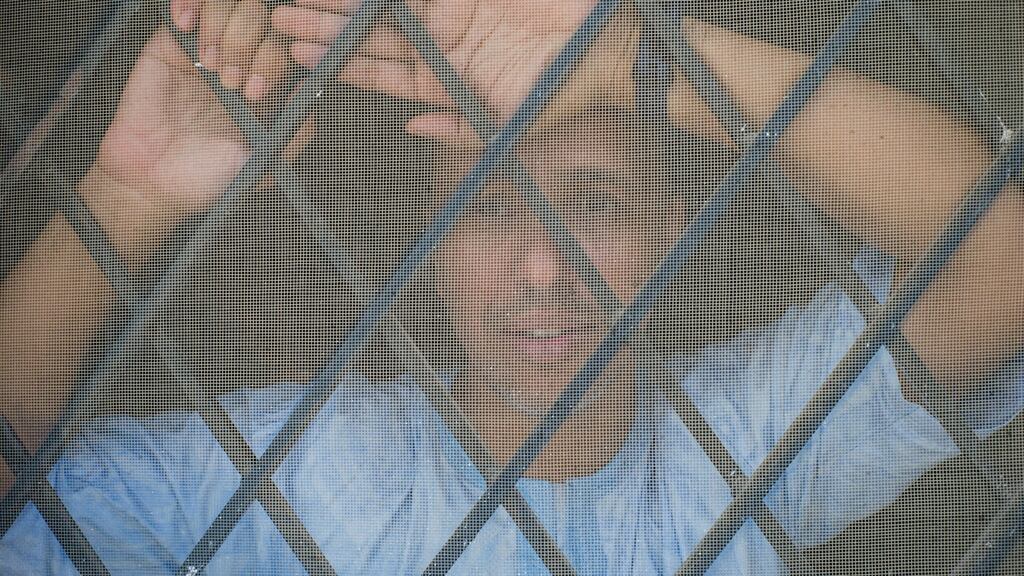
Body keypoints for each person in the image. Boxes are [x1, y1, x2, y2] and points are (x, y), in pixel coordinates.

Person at [1, 0, 1021, 573]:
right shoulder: (306, 468)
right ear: (429, 246)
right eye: (486, 210)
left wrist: (641, 52)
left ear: (676, 232)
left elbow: (1003, 262)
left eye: (598, 202)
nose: (544, 268)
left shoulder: (741, 438)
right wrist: (129, 193)